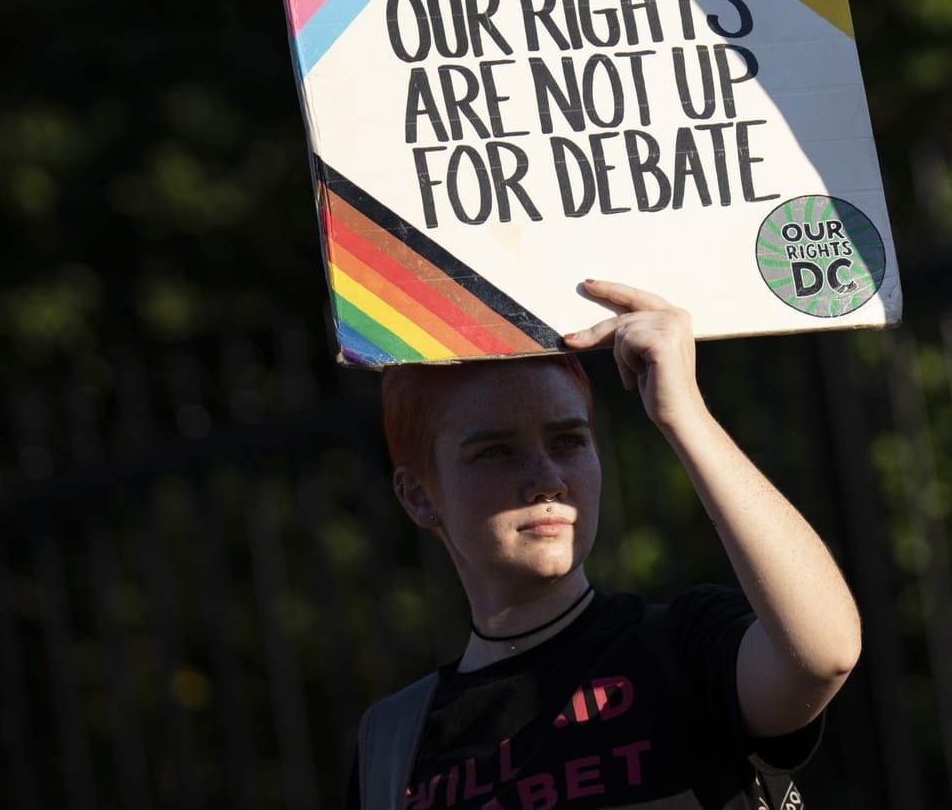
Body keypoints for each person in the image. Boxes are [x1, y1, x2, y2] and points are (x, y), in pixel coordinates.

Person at [347, 279, 861, 810]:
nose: (546, 479)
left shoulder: (682, 644)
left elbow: (823, 655)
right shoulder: (391, 745)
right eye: (496, 452)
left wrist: (684, 413)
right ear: (418, 496)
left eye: (568, 441)